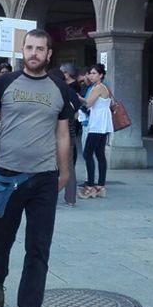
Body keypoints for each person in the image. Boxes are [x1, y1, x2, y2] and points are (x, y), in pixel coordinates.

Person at [0, 29, 73, 307]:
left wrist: (65, 171)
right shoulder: (5, 83)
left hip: (44, 179)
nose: (34, 53)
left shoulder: (60, 90)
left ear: (48, 54)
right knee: (1, 238)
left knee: (38, 248)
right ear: (22, 50)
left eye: (40, 48)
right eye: (29, 47)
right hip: (7, 176)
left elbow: (62, 134)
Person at [78, 64, 112, 199]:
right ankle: (100, 186)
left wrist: (77, 97)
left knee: (87, 153)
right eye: (90, 73)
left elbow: (89, 103)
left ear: (101, 75)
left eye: (94, 73)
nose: (91, 76)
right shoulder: (102, 88)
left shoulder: (98, 88)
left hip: (98, 124)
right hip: (102, 123)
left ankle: (90, 186)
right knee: (99, 154)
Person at [59, 64, 87, 206]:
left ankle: (48, 195)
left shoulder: (54, 92)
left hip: (52, 135)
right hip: (69, 134)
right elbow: (77, 113)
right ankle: (70, 198)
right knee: (69, 166)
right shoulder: (71, 92)